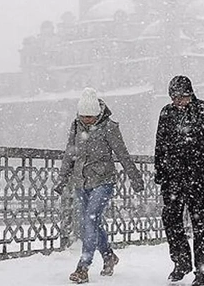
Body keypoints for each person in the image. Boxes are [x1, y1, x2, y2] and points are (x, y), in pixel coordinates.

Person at [53, 87, 145, 284]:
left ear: (98, 113)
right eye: (83, 116)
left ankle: (83, 267)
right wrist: (62, 179)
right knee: (92, 223)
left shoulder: (109, 127)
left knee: (90, 220)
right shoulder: (76, 126)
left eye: (90, 116)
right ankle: (109, 256)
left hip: (104, 181)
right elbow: (70, 153)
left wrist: (135, 178)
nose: (86, 120)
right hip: (81, 181)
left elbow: (122, 154)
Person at [154, 75, 204, 286]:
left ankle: (203, 271)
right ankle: (181, 262)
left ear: (190, 94)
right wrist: (160, 171)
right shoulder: (167, 113)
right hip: (174, 179)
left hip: (202, 180)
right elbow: (161, 144)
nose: (178, 101)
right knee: (171, 220)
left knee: (202, 226)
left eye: (182, 96)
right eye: (174, 97)